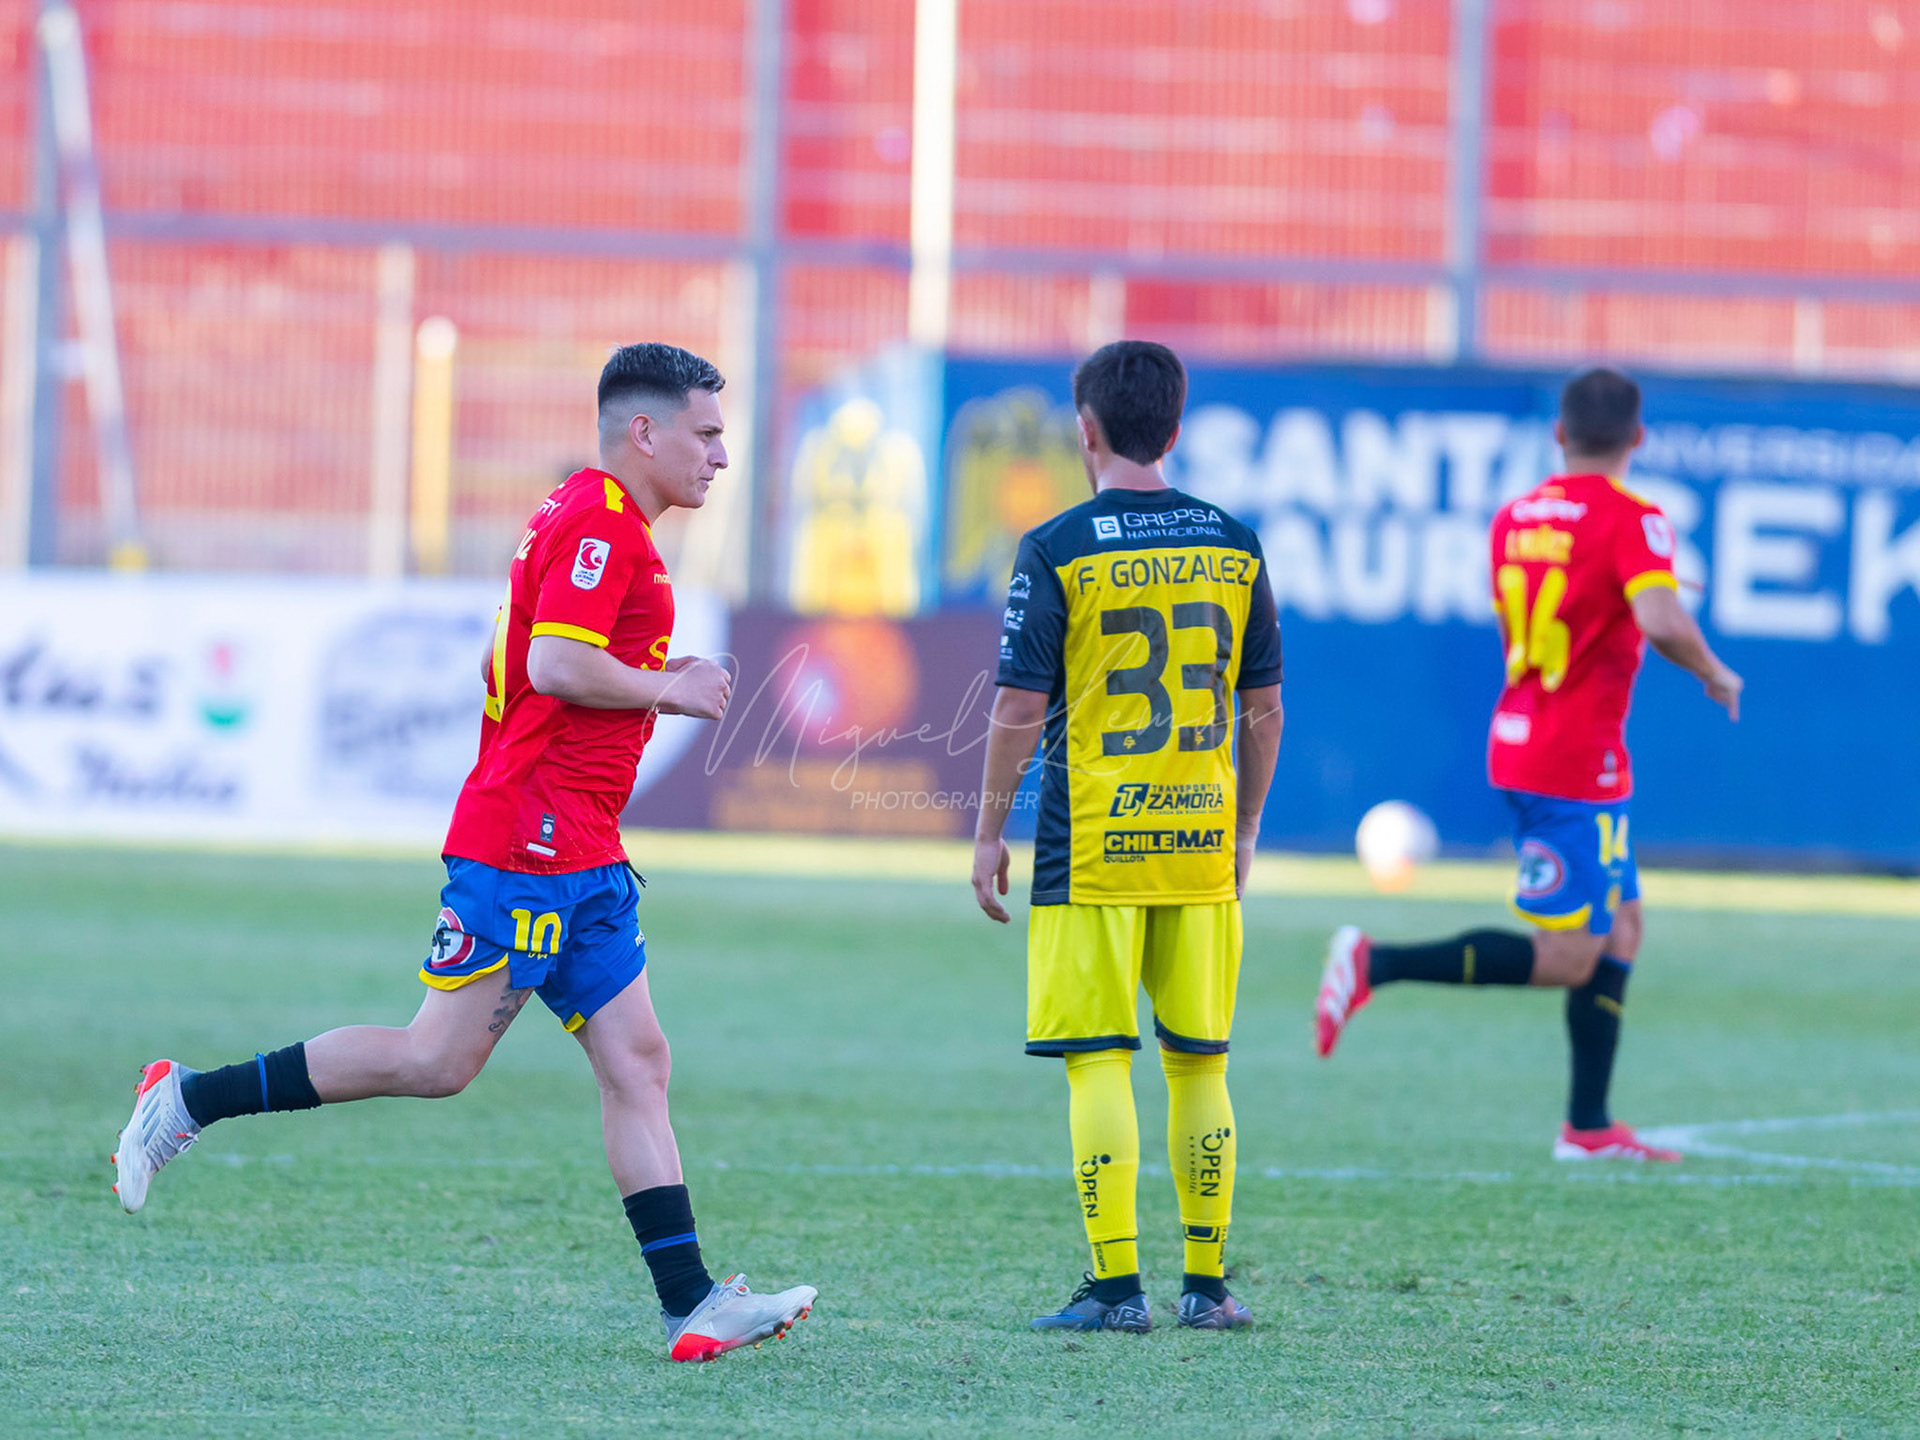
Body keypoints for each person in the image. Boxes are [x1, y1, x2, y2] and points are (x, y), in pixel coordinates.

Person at [113, 343, 817, 1363]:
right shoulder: (599, 525)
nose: (720, 456)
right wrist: (671, 686)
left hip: (582, 849)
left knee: (638, 1061)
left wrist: (655, 683)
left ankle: (691, 1302)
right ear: (645, 433)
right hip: (526, 841)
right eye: (706, 435)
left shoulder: (598, 516)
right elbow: (555, 661)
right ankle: (184, 1099)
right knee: (434, 1060)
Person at [1313, 367, 1743, 1162]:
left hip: (1535, 735)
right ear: (1638, 437)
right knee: (1573, 955)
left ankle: (1587, 1127)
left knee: (1623, 927)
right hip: (1572, 761)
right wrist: (1714, 669)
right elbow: (1656, 616)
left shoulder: (1516, 517)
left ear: (1559, 434)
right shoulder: (1634, 520)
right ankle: (1375, 960)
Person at [972, 340, 1284, 1333]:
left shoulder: (1058, 546)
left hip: (1096, 846)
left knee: (1099, 1060)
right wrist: (1244, 833)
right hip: (1200, 848)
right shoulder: (1235, 544)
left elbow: (1021, 704)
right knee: (1201, 1065)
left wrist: (986, 832)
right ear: (1176, 429)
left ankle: (1115, 1290)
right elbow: (1264, 708)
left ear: (1086, 430)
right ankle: (1208, 1286)